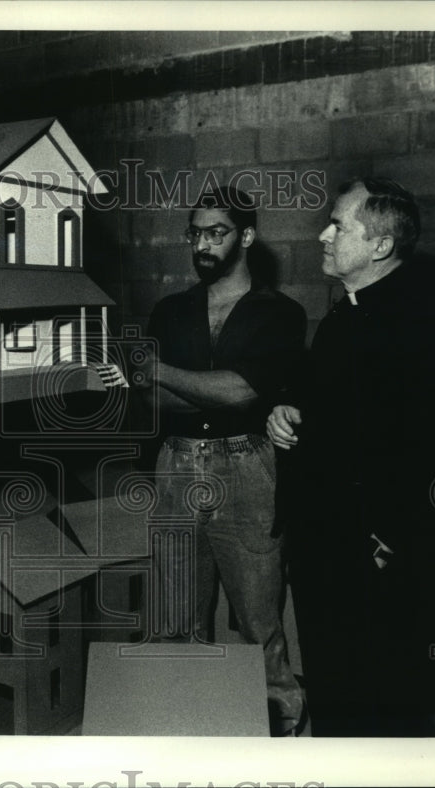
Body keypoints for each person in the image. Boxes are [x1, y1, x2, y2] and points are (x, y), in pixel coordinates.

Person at [267, 177, 435, 736]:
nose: (322, 235)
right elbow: (338, 411)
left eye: (339, 225)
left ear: (380, 246)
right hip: (322, 539)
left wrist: (388, 541)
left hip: (369, 551)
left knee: (373, 701)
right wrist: (288, 412)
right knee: (333, 687)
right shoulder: (344, 315)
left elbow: (433, 449)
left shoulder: (425, 331)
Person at [132, 186, 307, 736]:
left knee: (260, 616)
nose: (203, 244)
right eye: (196, 233)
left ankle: (280, 719)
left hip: (247, 467)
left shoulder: (281, 313)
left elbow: (242, 394)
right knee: (176, 612)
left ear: (247, 237)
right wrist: (183, 386)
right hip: (176, 464)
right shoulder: (170, 310)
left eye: (217, 232)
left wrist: (161, 371)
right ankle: (190, 723)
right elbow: (151, 401)